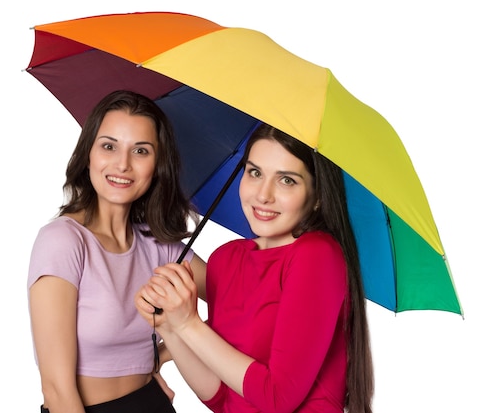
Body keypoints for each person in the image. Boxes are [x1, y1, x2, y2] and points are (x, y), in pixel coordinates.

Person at [136, 123, 374, 413]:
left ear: (317, 198)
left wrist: (189, 324)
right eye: (255, 172)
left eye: (286, 180)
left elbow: (278, 399)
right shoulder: (226, 259)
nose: (263, 195)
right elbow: (221, 398)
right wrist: (171, 328)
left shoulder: (317, 255)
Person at [27, 90, 206, 413]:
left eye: (140, 150)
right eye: (109, 146)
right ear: (89, 155)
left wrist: (168, 349)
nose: (122, 164)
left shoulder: (162, 247)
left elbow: (240, 299)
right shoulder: (64, 242)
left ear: (157, 164)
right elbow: (56, 390)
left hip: (152, 403)